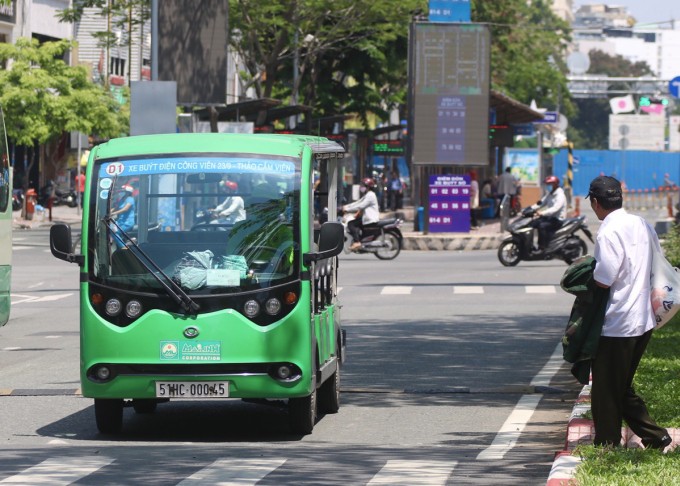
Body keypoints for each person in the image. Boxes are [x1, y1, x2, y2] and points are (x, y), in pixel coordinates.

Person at [587, 175, 671, 450]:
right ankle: (656, 436)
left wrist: (587, 271)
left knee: (605, 389)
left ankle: (607, 444)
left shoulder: (609, 231)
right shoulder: (641, 224)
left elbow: (605, 277)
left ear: (596, 202)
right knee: (620, 386)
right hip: (643, 320)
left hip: (618, 322)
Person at [529, 175, 567, 252]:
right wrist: (529, 209)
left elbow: (555, 209)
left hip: (557, 220)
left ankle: (542, 247)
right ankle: (530, 246)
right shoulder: (550, 194)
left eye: (550, 184)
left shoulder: (560, 195)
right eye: (547, 185)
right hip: (550, 218)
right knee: (533, 223)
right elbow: (541, 203)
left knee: (541, 226)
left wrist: (542, 213)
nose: (548, 186)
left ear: (555, 184)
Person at [343, 177, 380, 251]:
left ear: (368, 187)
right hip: (367, 218)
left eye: (363, 186)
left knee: (351, 224)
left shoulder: (370, 195)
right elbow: (358, 203)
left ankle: (357, 242)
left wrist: (347, 209)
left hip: (370, 219)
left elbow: (361, 206)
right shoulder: (367, 194)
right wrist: (347, 206)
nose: (361, 187)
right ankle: (359, 240)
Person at [110, 184, 135, 248]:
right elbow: (116, 208)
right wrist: (109, 212)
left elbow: (125, 209)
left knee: (114, 231)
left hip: (127, 223)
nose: (120, 193)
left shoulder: (130, 199)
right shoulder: (122, 200)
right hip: (120, 222)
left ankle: (123, 247)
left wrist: (114, 213)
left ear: (127, 192)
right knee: (109, 227)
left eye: (122, 191)